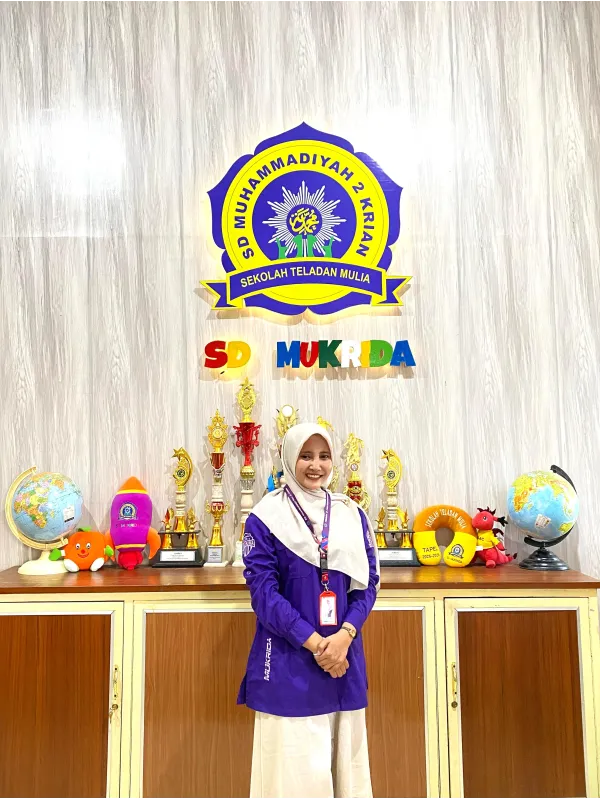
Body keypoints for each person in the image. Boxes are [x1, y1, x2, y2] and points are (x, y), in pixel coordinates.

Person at [237, 422, 380, 799]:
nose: (316, 465)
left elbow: (368, 584)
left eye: (324, 456)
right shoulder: (265, 517)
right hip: (290, 663)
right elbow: (264, 596)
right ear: (289, 458)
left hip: (343, 661)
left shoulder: (351, 514)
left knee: (347, 776)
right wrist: (317, 644)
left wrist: (345, 636)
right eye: (306, 456)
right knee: (293, 778)